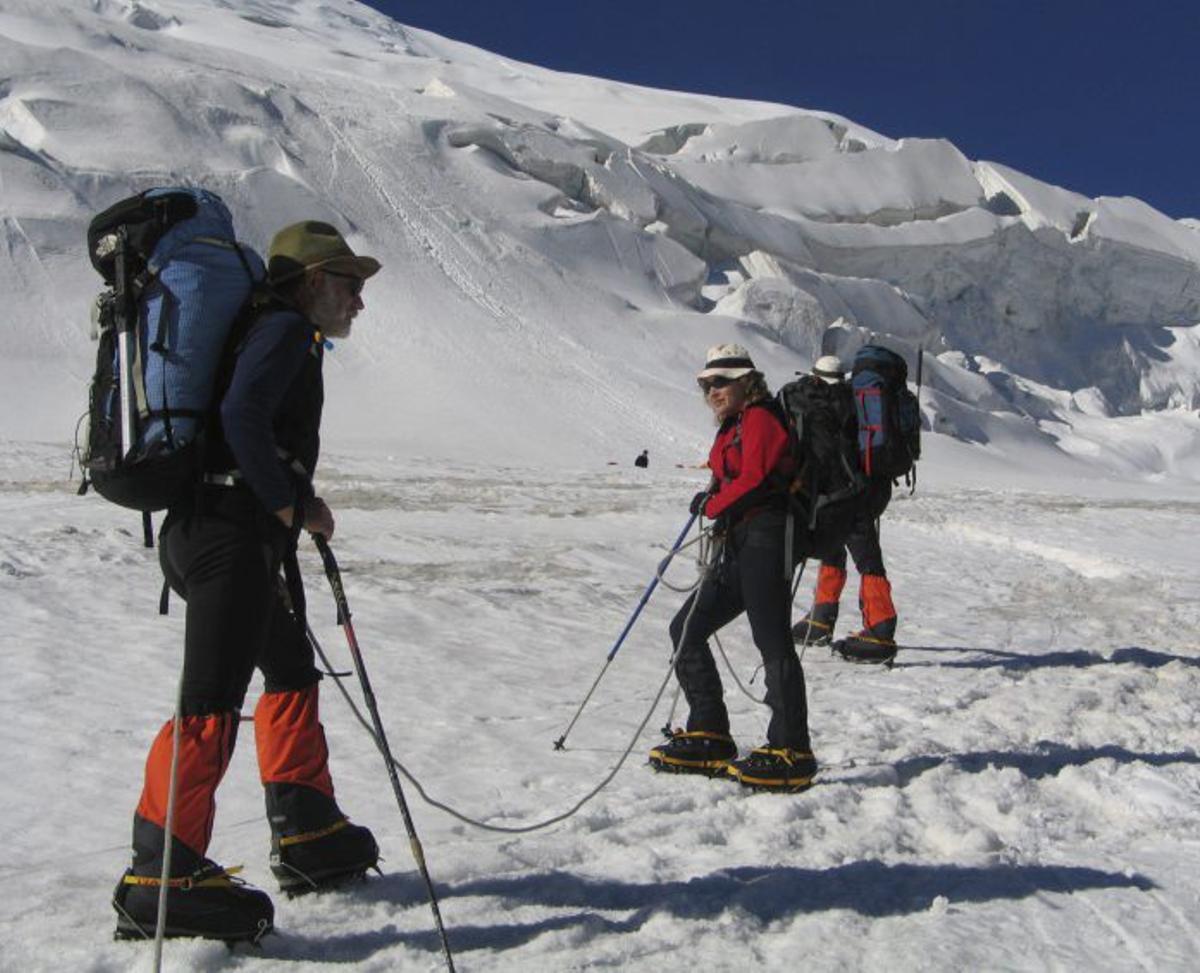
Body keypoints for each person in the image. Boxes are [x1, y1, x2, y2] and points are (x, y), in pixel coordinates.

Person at [112, 221, 382, 943]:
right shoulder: (285, 329)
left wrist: (291, 506)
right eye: (350, 284)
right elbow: (241, 414)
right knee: (209, 699)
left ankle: (307, 830)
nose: (359, 300)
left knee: (292, 668)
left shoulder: (281, 329)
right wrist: (291, 501)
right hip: (226, 535)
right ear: (314, 280)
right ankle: (160, 876)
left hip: (225, 531)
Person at [648, 343, 816, 792]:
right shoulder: (732, 426)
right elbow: (730, 477)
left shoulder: (761, 417)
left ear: (746, 381)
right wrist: (714, 499)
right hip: (739, 542)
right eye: (706, 384)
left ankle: (791, 748)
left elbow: (757, 477)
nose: (712, 390)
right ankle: (710, 729)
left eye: (721, 381)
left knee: (772, 639)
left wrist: (714, 503)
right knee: (687, 627)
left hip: (767, 537)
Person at [792, 355, 899, 664]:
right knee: (834, 547)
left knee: (866, 558)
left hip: (846, 494)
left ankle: (880, 630)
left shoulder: (823, 403)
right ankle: (822, 617)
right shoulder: (856, 400)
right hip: (868, 489)